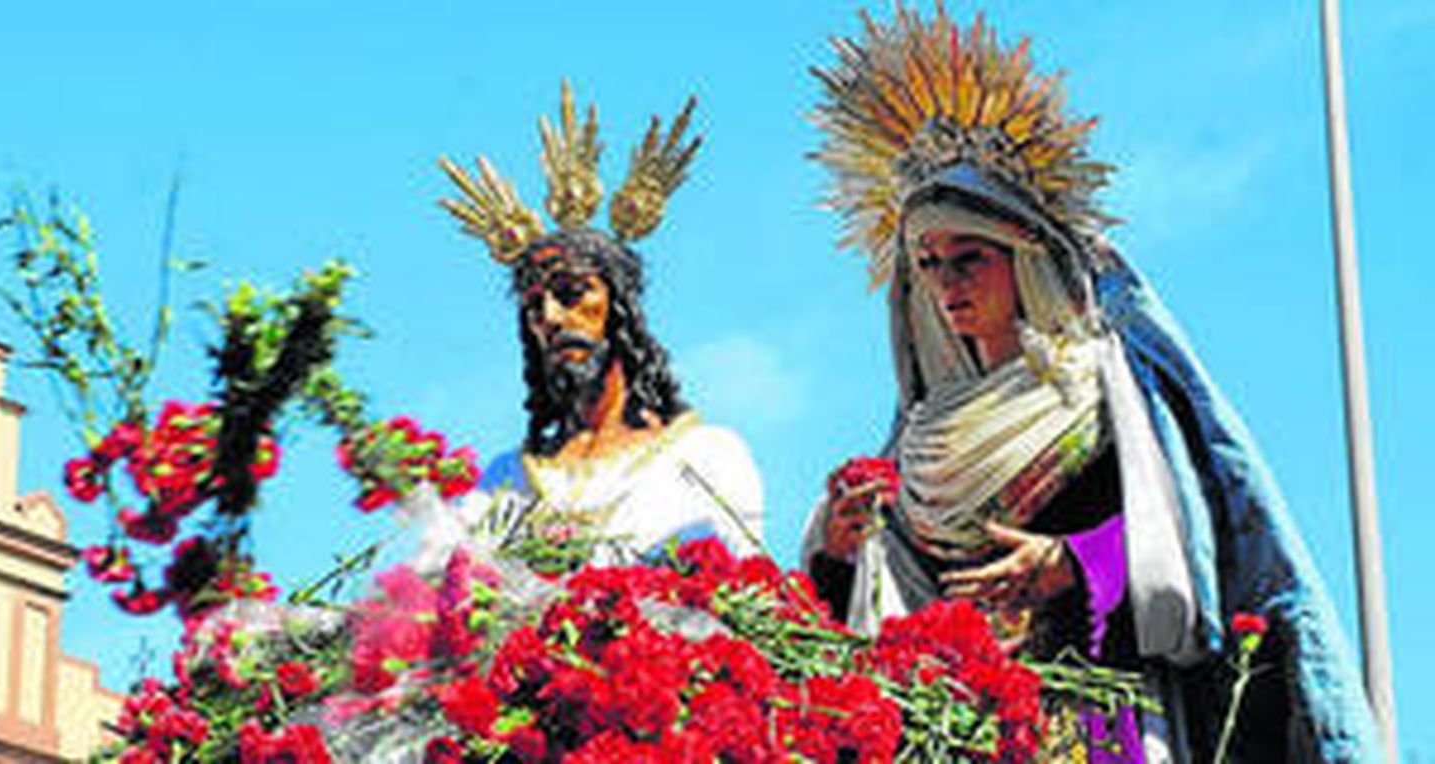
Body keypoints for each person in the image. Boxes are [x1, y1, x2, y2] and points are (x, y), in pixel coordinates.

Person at [800, 6, 1382, 762]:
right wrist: (843, 548)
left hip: (1099, 706)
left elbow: (1198, 532)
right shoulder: (922, 434)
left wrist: (1076, 563)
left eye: (969, 257)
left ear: (1026, 259)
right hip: (955, 718)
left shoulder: (1104, 390)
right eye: (929, 263)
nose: (947, 284)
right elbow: (896, 593)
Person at [425, 83, 764, 568]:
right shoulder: (506, 481)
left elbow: (732, 584)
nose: (551, 318)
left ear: (619, 304)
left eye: (570, 293)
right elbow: (443, 587)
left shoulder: (706, 456)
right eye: (534, 307)